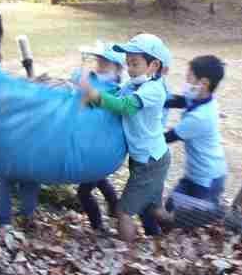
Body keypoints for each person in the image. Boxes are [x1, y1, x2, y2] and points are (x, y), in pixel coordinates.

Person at [80, 34, 172, 243]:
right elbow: (116, 99)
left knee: (123, 212)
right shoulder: (132, 85)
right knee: (155, 208)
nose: (130, 69)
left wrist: (95, 96)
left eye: (135, 64)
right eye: (128, 63)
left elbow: (125, 107)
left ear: (154, 65)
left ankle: (127, 259)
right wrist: (92, 101)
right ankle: (177, 230)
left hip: (151, 161)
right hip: (144, 158)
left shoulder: (154, 90)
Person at [157, 55, 227, 228]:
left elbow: (166, 138)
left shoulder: (200, 117)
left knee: (186, 224)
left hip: (207, 180)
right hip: (196, 174)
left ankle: (220, 214)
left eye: (189, 78)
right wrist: (149, 99)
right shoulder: (201, 100)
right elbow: (178, 100)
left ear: (203, 83)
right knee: (170, 208)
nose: (185, 82)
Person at [73, 42, 125, 234]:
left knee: (84, 191)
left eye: (106, 62)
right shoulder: (99, 81)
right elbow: (77, 79)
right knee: (100, 180)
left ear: (118, 68)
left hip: (101, 149)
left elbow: (89, 98)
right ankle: (115, 209)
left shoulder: (114, 89)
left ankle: (98, 226)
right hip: (93, 147)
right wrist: (86, 68)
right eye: (99, 61)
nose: (100, 65)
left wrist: (86, 80)